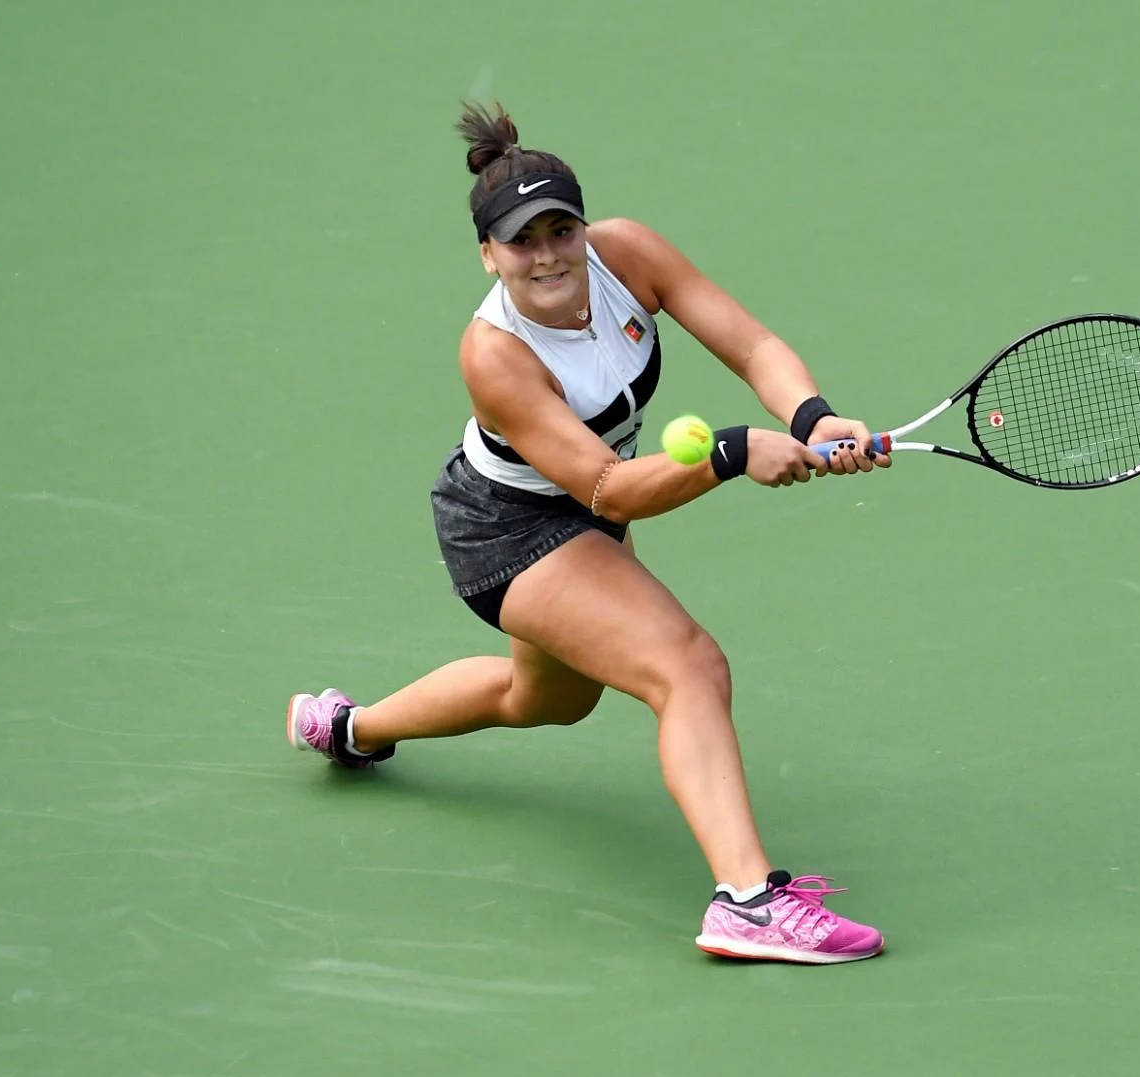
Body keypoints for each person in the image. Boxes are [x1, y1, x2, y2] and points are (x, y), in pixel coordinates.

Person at [284, 101, 890, 965]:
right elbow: (610, 487)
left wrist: (811, 415)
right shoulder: (493, 353)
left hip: (586, 510)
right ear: (488, 255)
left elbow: (752, 345)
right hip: (508, 527)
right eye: (521, 242)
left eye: (560, 230)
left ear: (583, 226)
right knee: (688, 665)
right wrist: (728, 454)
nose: (547, 255)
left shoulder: (627, 255)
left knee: (546, 701)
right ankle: (748, 902)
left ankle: (349, 728)